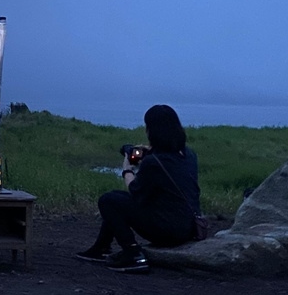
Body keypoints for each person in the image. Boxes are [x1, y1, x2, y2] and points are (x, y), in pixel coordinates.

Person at [76, 104, 201, 273]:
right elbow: (167, 169)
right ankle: (101, 247)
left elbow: (135, 191)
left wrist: (127, 169)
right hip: (189, 228)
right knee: (116, 197)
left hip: (168, 232)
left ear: (152, 131)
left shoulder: (153, 163)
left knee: (108, 200)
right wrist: (150, 152)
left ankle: (133, 253)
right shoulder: (189, 154)